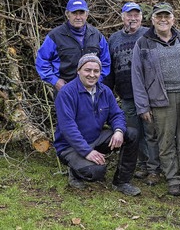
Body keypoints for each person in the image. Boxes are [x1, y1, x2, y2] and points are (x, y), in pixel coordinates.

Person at [131, 2, 180, 198]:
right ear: (153, 20)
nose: (163, 20)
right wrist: (143, 106)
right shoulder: (143, 42)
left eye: (167, 16)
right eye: (159, 16)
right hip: (159, 101)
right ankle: (173, 180)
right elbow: (137, 77)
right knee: (165, 143)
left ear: (173, 19)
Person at [54, 54, 140, 196]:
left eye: (96, 71)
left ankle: (121, 182)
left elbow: (117, 114)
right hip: (69, 146)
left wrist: (118, 130)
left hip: (95, 138)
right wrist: (87, 152)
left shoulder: (104, 91)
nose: (92, 75)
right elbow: (68, 127)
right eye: (87, 70)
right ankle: (74, 171)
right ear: (78, 71)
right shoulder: (66, 93)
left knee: (131, 134)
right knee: (95, 172)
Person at [104, 2, 161, 186]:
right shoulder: (113, 39)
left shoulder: (148, 35)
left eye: (136, 15)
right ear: (122, 17)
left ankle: (154, 168)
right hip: (127, 95)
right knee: (134, 133)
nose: (133, 18)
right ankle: (142, 165)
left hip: (148, 95)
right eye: (129, 15)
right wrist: (109, 92)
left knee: (150, 133)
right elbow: (110, 68)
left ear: (142, 17)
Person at [36, 0, 110, 96]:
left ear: (87, 15)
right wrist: (55, 81)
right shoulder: (55, 36)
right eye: (74, 13)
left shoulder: (96, 35)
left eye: (81, 13)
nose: (78, 17)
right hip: (65, 89)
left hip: (91, 90)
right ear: (67, 15)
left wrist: (97, 80)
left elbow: (106, 61)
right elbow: (42, 60)